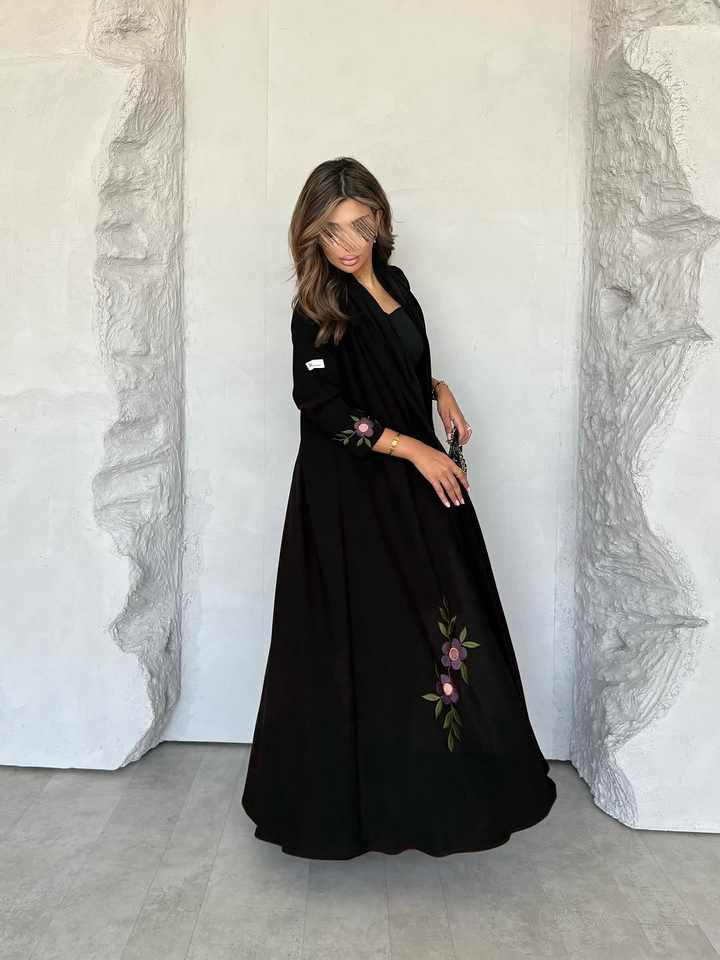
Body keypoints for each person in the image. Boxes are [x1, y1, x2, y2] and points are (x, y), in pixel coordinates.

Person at [241, 156, 557, 859]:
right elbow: (321, 405)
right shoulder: (316, 308)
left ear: (380, 219)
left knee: (440, 626)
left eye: (359, 225)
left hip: (412, 477)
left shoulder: (398, 284)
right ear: (311, 235)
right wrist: (415, 449)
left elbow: (399, 365)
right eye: (330, 231)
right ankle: (359, 805)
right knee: (370, 637)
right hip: (347, 496)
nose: (347, 244)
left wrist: (438, 390)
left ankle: (438, 789)